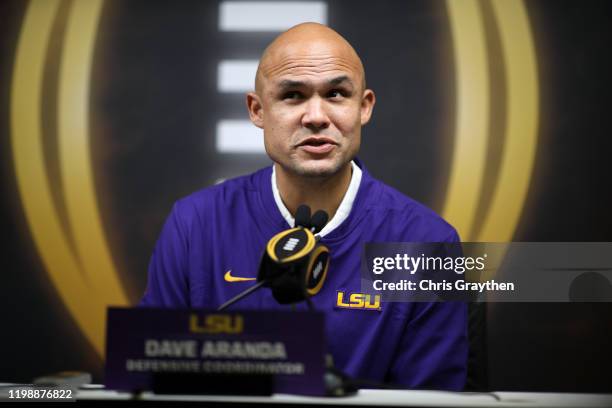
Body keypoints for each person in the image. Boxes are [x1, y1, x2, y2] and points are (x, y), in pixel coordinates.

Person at [140, 23, 467, 390]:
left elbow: (434, 400)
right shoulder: (194, 224)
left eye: (337, 94)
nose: (315, 116)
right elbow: (152, 376)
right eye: (293, 95)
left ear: (364, 107)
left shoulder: (426, 242)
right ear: (257, 110)